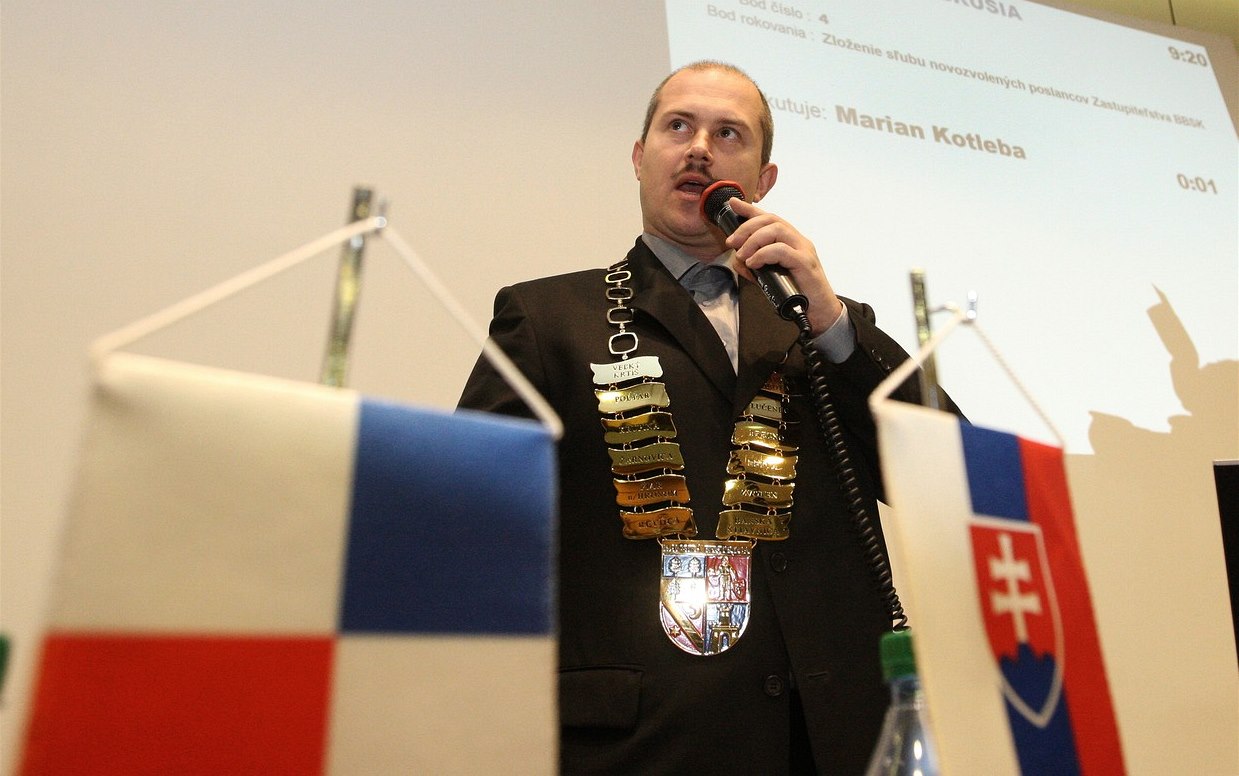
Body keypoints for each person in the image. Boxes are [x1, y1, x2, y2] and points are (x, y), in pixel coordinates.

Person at [458, 60, 957, 775]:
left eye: (729, 134)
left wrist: (833, 323)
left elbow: (952, 479)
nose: (699, 149)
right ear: (640, 157)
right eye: (678, 126)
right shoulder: (548, 320)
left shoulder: (821, 326)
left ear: (763, 180)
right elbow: (472, 517)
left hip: (836, 738)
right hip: (646, 740)